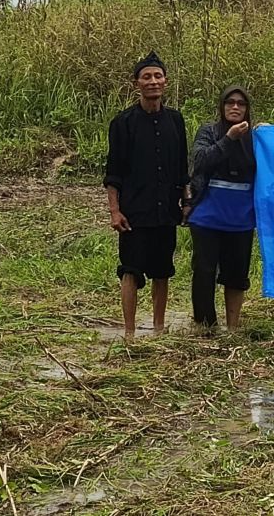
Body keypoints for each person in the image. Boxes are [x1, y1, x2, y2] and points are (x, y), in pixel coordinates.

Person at [103, 51, 189, 340]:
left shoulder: (176, 120)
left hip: (165, 210)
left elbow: (181, 168)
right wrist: (115, 211)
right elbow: (113, 172)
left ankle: (158, 328)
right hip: (135, 211)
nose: (153, 82)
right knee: (130, 270)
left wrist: (186, 202)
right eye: (146, 77)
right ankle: (128, 332)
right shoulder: (123, 123)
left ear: (165, 81)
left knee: (162, 270)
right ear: (136, 83)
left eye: (157, 76)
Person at [187, 86, 256, 332]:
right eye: (230, 102)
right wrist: (229, 139)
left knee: (237, 275)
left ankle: (233, 327)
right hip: (207, 217)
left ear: (248, 109)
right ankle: (205, 325)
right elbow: (200, 161)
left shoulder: (255, 138)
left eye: (241, 103)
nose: (235, 107)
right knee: (204, 272)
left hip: (242, 218)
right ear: (222, 106)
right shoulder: (209, 131)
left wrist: (269, 134)